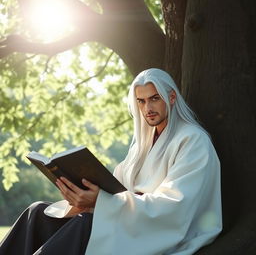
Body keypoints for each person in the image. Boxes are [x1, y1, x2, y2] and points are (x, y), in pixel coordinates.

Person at [0, 68, 222, 255]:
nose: (148, 108)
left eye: (155, 98)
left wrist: (103, 203)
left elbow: (175, 207)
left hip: (156, 232)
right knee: (37, 212)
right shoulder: (143, 143)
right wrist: (81, 197)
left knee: (84, 225)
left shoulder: (193, 141)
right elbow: (116, 188)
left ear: (171, 98)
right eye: (141, 101)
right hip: (125, 220)